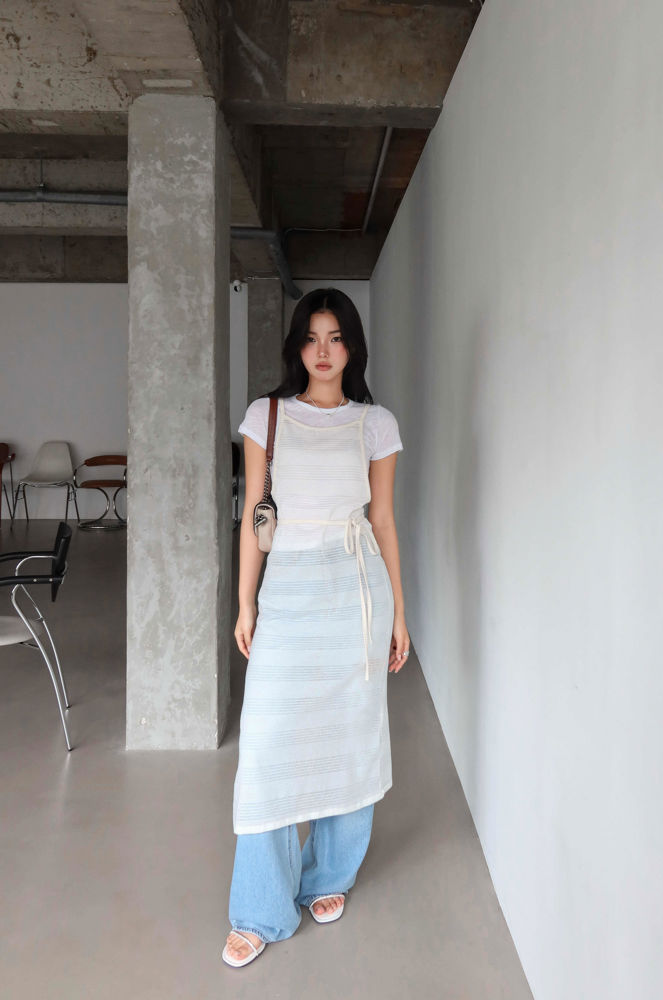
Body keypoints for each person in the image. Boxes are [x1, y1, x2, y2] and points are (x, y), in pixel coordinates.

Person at [223, 287, 410, 968]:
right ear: (296, 346)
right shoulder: (266, 415)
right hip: (290, 588)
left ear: (352, 347)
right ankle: (260, 909)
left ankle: (328, 874)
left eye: (335, 337)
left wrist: (400, 612)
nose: (323, 351)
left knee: (350, 734)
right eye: (311, 337)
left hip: (356, 589)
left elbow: (382, 519)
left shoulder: (375, 424)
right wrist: (246, 603)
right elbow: (255, 512)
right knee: (267, 747)